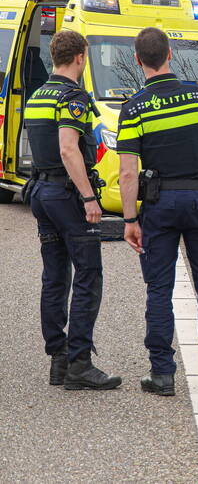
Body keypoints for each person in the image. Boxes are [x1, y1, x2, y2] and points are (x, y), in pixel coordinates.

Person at [117, 26, 198, 398]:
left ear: (138, 60)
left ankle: (162, 374)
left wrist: (129, 220)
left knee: (159, 289)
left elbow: (126, 172)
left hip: (158, 206)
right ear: (170, 54)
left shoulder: (133, 107)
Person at [25, 30, 120, 391]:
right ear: (80, 57)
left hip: (41, 192)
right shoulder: (72, 96)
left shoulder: (38, 96)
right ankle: (80, 362)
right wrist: (89, 198)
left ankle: (58, 360)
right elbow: (69, 149)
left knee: (55, 276)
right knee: (88, 275)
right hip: (66, 196)